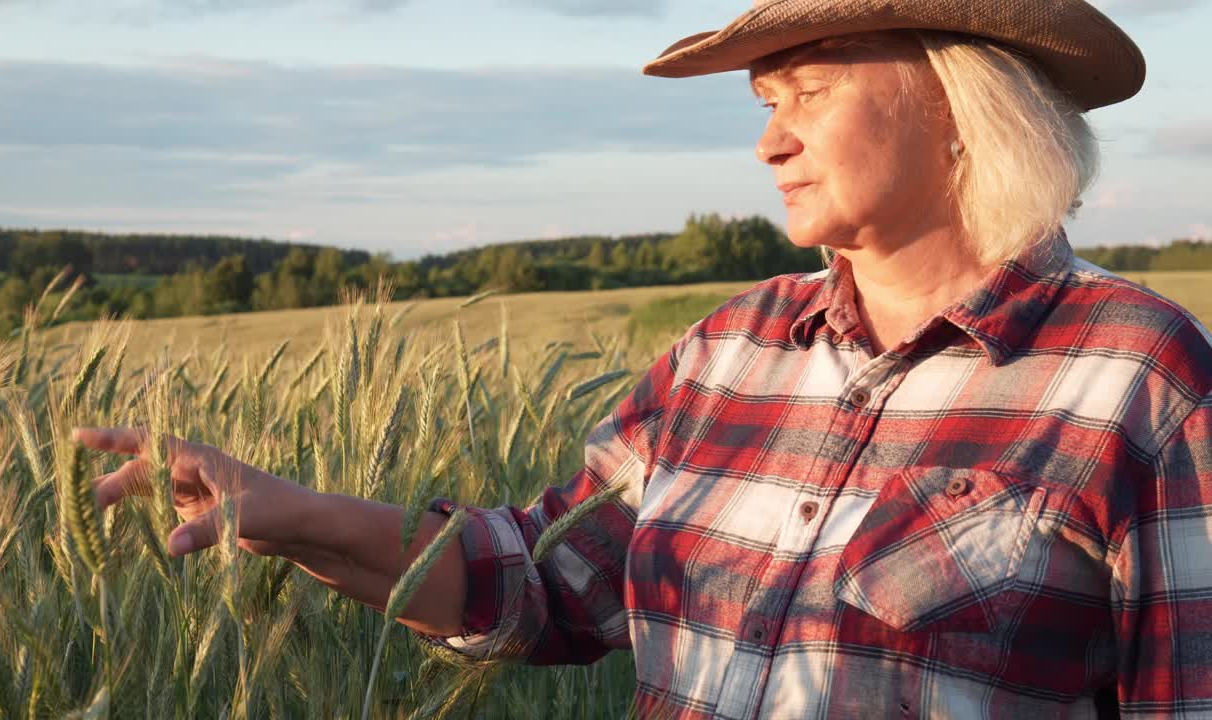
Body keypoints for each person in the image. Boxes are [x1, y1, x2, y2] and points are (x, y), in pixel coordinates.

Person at [77, 0, 1212, 716]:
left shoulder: (1136, 379)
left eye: (810, 91)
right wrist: (283, 515)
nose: (769, 137)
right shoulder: (728, 352)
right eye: (767, 100)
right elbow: (544, 585)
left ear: (961, 103)